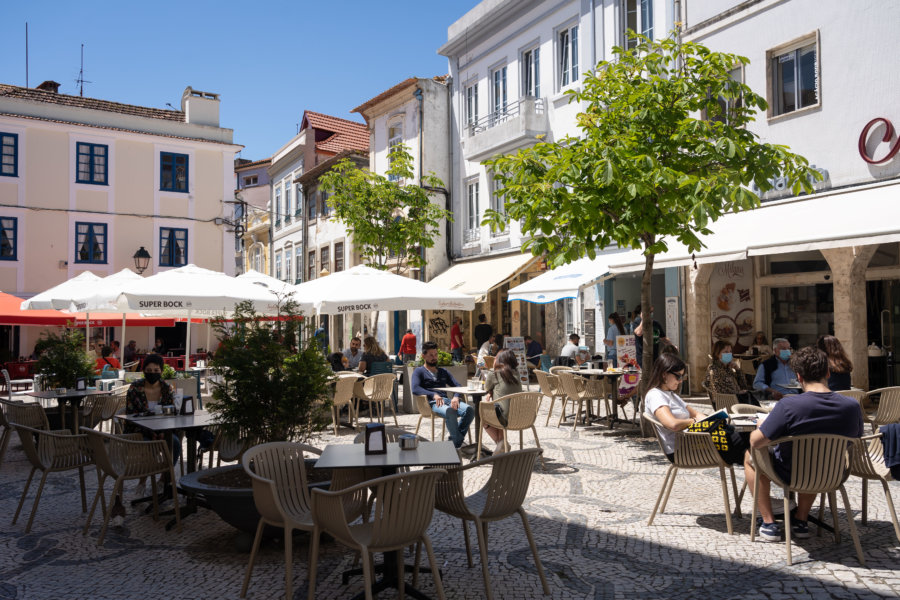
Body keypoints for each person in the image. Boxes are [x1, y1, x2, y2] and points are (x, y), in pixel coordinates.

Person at [746, 346, 864, 541]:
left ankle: (768, 523)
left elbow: (755, 441)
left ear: (798, 377)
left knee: (750, 456)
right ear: (827, 372)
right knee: (817, 459)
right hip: (831, 473)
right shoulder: (851, 406)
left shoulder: (788, 405)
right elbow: (856, 438)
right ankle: (801, 521)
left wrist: (762, 425)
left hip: (790, 472)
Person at [644, 353, 749, 465]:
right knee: (747, 440)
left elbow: (696, 414)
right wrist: (693, 422)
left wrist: (710, 421)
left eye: (682, 377)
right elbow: (672, 424)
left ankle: (755, 467)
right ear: (664, 374)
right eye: (678, 376)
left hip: (696, 442)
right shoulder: (656, 395)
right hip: (683, 450)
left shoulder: (671, 395)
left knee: (747, 442)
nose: (680, 381)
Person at [411, 341, 475, 451]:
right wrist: (433, 394)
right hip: (431, 403)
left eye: (435, 354)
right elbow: (415, 389)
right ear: (423, 356)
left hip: (447, 401)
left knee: (469, 410)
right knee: (450, 410)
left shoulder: (443, 371)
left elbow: (457, 385)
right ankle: (456, 444)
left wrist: (456, 396)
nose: (434, 357)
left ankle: (453, 442)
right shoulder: (419, 371)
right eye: (431, 355)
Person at [482, 349, 522, 451]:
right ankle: (502, 447)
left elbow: (486, 387)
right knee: (501, 409)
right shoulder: (517, 373)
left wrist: (489, 391)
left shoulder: (494, 373)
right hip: (520, 416)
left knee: (482, 417)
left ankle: (502, 444)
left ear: (499, 360)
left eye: (496, 357)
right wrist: (492, 391)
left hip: (503, 417)